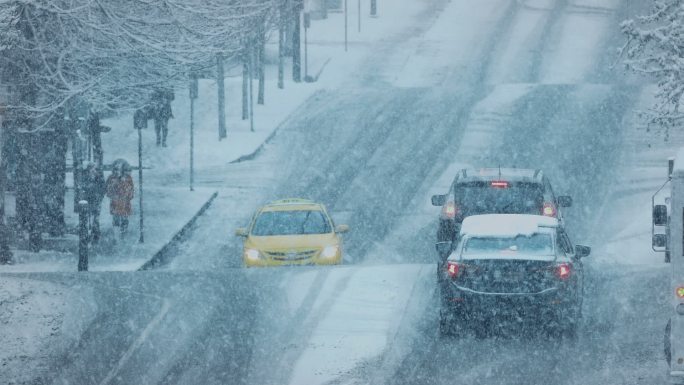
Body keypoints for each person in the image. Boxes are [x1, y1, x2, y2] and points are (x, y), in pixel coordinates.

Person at [106, 161, 134, 238]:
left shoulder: (127, 178)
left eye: (118, 169)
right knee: (116, 217)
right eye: (115, 169)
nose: (116, 171)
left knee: (124, 217)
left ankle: (123, 231)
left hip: (125, 201)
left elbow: (131, 189)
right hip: (116, 201)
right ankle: (117, 233)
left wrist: (129, 195)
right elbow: (108, 190)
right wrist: (113, 195)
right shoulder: (111, 178)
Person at [82, 162, 106, 242]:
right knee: (89, 218)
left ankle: (95, 234)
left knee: (95, 218)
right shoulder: (85, 177)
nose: (93, 171)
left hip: (96, 201)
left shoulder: (99, 178)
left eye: (94, 169)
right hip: (88, 200)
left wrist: (99, 197)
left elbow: (103, 189)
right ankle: (91, 234)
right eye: (91, 169)